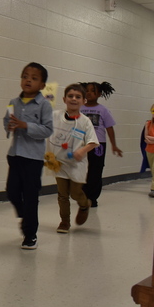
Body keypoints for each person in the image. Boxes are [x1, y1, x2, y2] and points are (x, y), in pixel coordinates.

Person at [4, 62, 54, 250]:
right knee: (12, 191)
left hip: (33, 158)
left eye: (34, 78)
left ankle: (30, 234)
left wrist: (26, 126)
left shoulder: (44, 105)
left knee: (31, 196)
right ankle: (25, 216)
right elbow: (6, 121)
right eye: (25, 76)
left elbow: (48, 129)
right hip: (15, 154)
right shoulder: (13, 102)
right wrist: (9, 126)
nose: (28, 80)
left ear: (42, 85)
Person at [47, 84, 99, 233]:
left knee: (75, 193)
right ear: (64, 99)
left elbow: (93, 142)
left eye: (78, 97)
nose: (74, 99)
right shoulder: (55, 116)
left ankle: (84, 205)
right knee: (62, 195)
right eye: (70, 96)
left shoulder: (85, 121)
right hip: (59, 163)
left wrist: (82, 150)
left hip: (77, 164)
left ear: (83, 101)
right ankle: (64, 222)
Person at [79, 81, 123, 207]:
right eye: (87, 90)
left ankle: (92, 198)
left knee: (96, 170)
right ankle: (82, 194)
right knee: (81, 169)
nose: (89, 93)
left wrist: (114, 145)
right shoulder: (80, 108)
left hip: (98, 144)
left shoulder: (103, 110)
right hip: (82, 143)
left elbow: (109, 128)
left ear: (99, 94)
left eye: (93, 90)